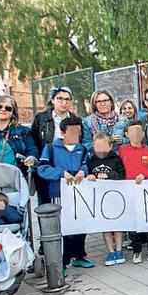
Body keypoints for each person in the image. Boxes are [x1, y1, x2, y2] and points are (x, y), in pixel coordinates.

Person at [37, 116, 90, 274]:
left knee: (81, 225)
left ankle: (79, 256)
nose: (76, 136)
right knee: (64, 227)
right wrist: (61, 173)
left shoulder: (82, 149)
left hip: (79, 192)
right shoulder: (51, 148)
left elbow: (86, 164)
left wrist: (83, 170)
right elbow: (42, 169)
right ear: (63, 133)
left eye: (78, 133)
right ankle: (63, 262)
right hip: (59, 192)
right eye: (72, 132)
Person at [119, 120, 148, 263]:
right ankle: (136, 250)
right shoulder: (121, 150)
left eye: (138, 132)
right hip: (128, 191)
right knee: (132, 222)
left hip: (146, 191)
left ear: (142, 134)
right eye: (132, 132)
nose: (135, 135)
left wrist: (144, 175)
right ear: (126, 134)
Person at [85, 132, 127, 266]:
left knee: (117, 225)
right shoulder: (91, 161)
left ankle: (119, 250)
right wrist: (90, 176)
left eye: (103, 146)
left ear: (110, 146)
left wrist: (108, 174)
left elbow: (122, 175)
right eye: (98, 147)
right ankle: (110, 251)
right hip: (100, 199)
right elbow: (87, 175)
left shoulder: (116, 159)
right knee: (106, 227)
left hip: (115, 198)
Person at [31, 87, 78, 205]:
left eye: (67, 99)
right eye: (60, 98)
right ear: (52, 100)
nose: (64, 102)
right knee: (46, 204)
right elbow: (34, 141)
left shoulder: (76, 120)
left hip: (69, 166)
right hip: (47, 165)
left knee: (70, 204)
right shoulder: (41, 118)